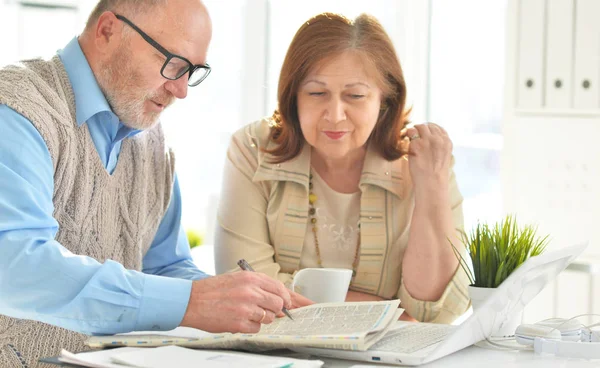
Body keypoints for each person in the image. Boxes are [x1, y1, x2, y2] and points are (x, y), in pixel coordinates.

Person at [0, 1, 309, 366]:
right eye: (173, 64)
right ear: (107, 31)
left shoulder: (153, 145)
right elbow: (14, 265)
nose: (181, 90)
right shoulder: (17, 110)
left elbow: (166, 268)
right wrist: (195, 301)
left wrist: (241, 300)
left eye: (191, 71)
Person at [215, 12, 471, 324]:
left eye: (355, 95)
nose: (335, 115)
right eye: (317, 93)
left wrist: (430, 186)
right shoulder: (252, 148)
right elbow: (243, 282)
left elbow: (435, 310)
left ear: (385, 99)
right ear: (293, 96)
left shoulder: (426, 159)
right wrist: (383, 311)